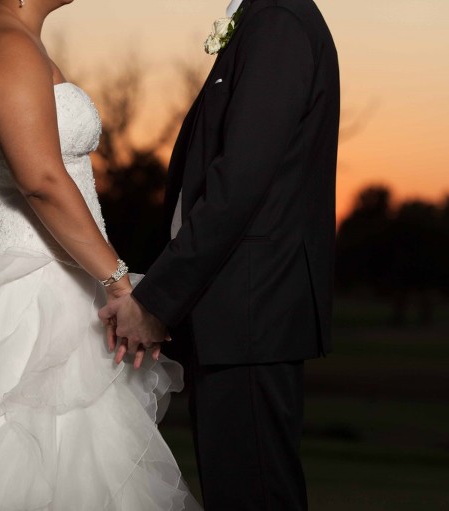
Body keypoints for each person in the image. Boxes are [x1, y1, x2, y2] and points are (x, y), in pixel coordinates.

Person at [0, 0, 200, 509]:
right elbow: (42, 182)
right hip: (22, 305)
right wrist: (121, 284)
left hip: (66, 294)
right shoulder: (6, 44)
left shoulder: (16, 39)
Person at [99, 0, 340, 509]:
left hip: (250, 306)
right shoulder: (266, 18)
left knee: (253, 495)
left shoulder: (278, 19)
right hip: (239, 309)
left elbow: (241, 181)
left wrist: (158, 300)